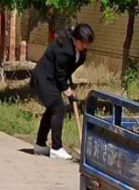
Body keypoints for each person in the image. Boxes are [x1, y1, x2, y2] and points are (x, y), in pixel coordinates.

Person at [31, 23, 94, 160]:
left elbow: (67, 71)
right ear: (76, 40)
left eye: (87, 43)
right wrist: (68, 92)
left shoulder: (80, 51)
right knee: (58, 107)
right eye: (84, 43)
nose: (86, 46)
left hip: (53, 79)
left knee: (52, 109)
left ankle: (40, 145)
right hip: (44, 78)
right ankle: (56, 148)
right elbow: (60, 74)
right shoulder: (65, 48)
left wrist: (69, 87)